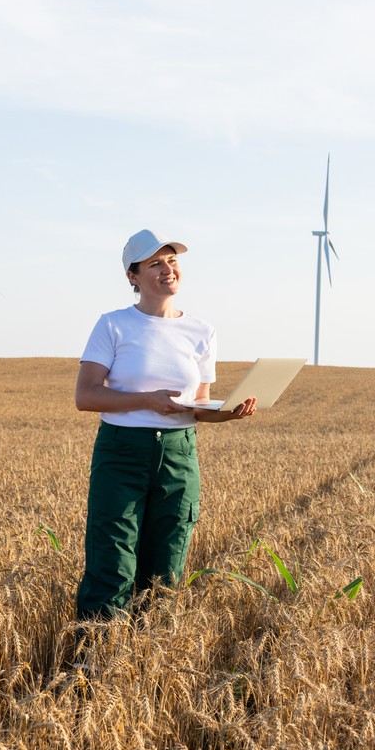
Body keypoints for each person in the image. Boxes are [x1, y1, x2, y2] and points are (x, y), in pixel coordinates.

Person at [74, 230, 256, 620]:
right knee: (113, 561)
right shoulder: (113, 325)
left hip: (179, 455)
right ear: (133, 276)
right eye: (155, 263)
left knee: (166, 566)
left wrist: (230, 411)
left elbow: (200, 406)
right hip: (122, 452)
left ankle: (150, 662)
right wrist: (147, 400)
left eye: (172, 261)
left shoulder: (202, 331)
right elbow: (86, 396)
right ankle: (97, 661)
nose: (167, 269)